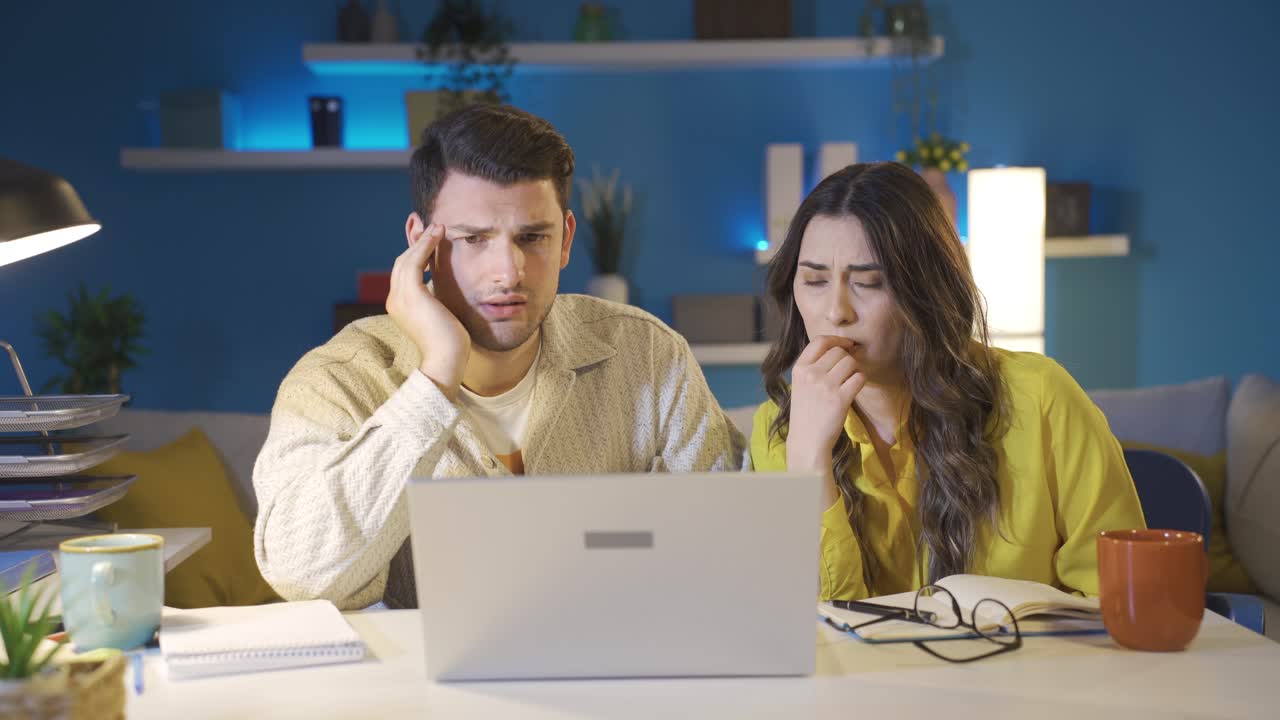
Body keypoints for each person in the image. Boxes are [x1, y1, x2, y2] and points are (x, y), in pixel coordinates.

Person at [254, 104, 745, 610]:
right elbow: (303, 574)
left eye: (532, 238)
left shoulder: (648, 355)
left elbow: (734, 545)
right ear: (419, 244)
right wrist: (436, 376)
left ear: (566, 240)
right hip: (417, 686)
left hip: (617, 674)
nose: (508, 272)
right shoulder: (338, 380)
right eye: (473, 239)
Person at [750, 162, 1144, 600]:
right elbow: (821, 634)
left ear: (927, 289)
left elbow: (1123, 597)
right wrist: (808, 463)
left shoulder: (1041, 397)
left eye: (869, 282)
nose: (837, 311)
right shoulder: (780, 431)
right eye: (815, 280)